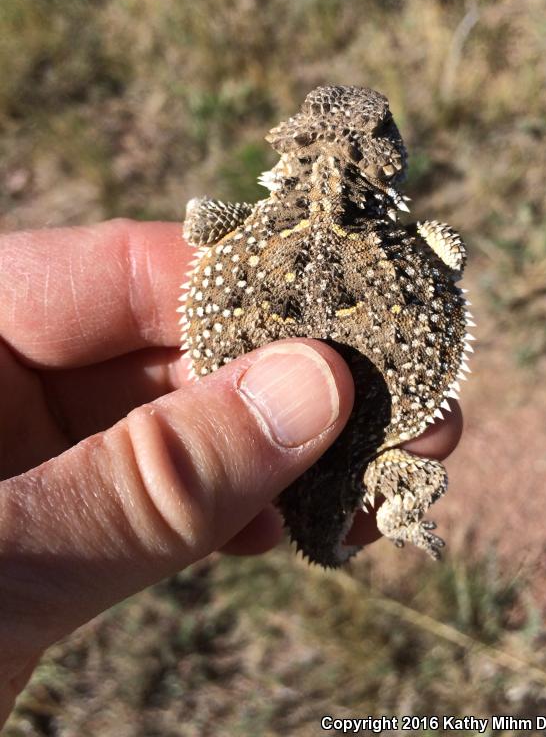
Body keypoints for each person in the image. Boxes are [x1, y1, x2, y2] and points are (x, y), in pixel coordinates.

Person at [0, 219, 462, 726]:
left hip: (361, 431)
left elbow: (200, 223)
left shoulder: (254, 218)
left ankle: (377, 523)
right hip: (375, 438)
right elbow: (453, 259)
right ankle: (392, 517)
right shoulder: (405, 232)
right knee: (418, 475)